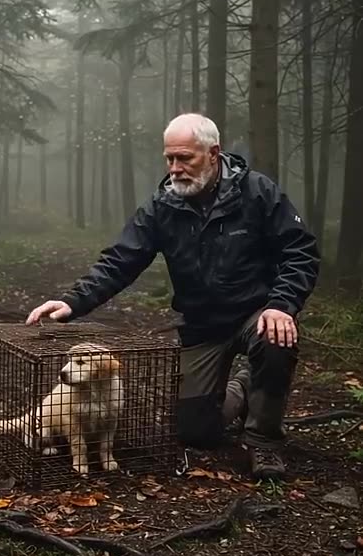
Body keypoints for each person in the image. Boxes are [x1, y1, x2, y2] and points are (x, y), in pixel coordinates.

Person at [26, 113, 320, 480]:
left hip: (255, 311)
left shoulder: (258, 193)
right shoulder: (162, 205)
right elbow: (120, 260)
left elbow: (300, 252)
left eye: (185, 158)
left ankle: (263, 443)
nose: (175, 168)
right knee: (194, 432)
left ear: (213, 154)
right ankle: (242, 387)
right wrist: (73, 302)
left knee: (276, 340)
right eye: (169, 159)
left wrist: (282, 304)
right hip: (201, 326)